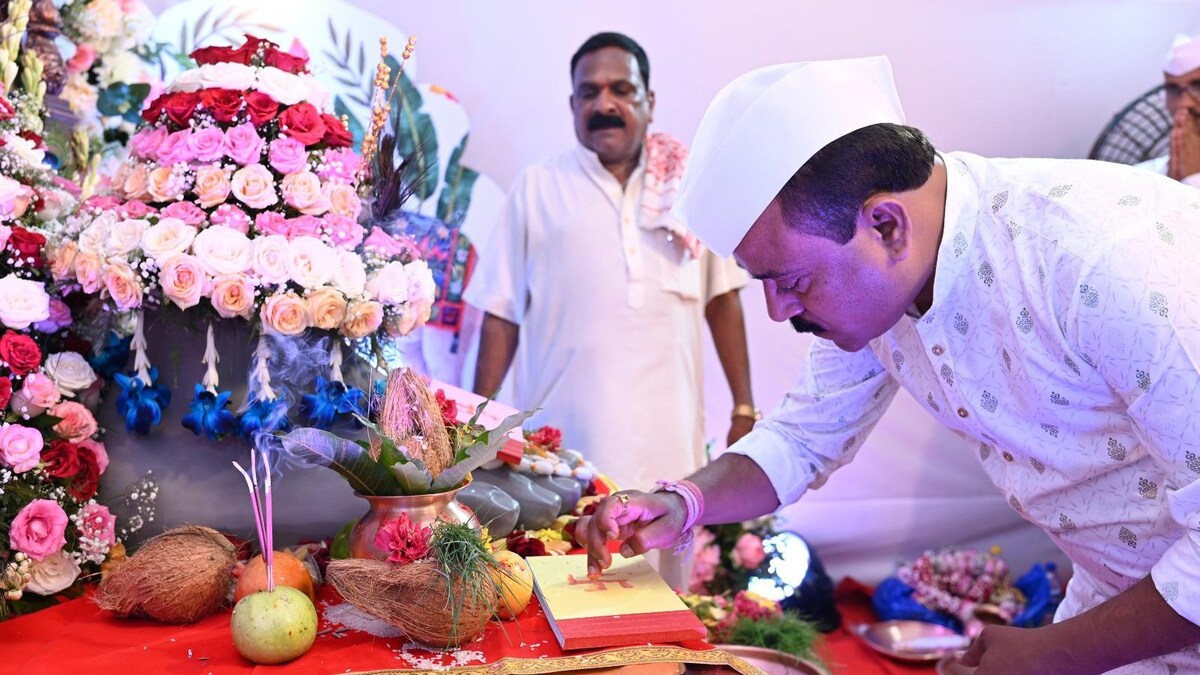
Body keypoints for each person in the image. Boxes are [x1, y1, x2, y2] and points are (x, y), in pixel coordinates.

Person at [577, 56, 1200, 674]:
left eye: (790, 280)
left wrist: (1056, 653)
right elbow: (801, 437)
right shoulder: (884, 289)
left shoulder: (1103, 260)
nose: (776, 312)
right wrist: (682, 503)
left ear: (885, 224)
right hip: (1121, 611)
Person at [465, 33, 756, 505]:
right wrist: (474, 429)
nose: (605, 103)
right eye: (590, 91)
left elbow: (722, 297)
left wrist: (744, 406)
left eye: (622, 89)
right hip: (560, 451)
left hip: (672, 446)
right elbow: (501, 316)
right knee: (563, 565)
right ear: (572, 103)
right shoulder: (538, 188)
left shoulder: (687, 190)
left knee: (666, 569)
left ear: (649, 101)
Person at [1137, 34, 1200, 187]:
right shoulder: (1141, 176)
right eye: (1173, 89)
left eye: (1198, 86)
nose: (1184, 104)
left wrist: (1192, 179)